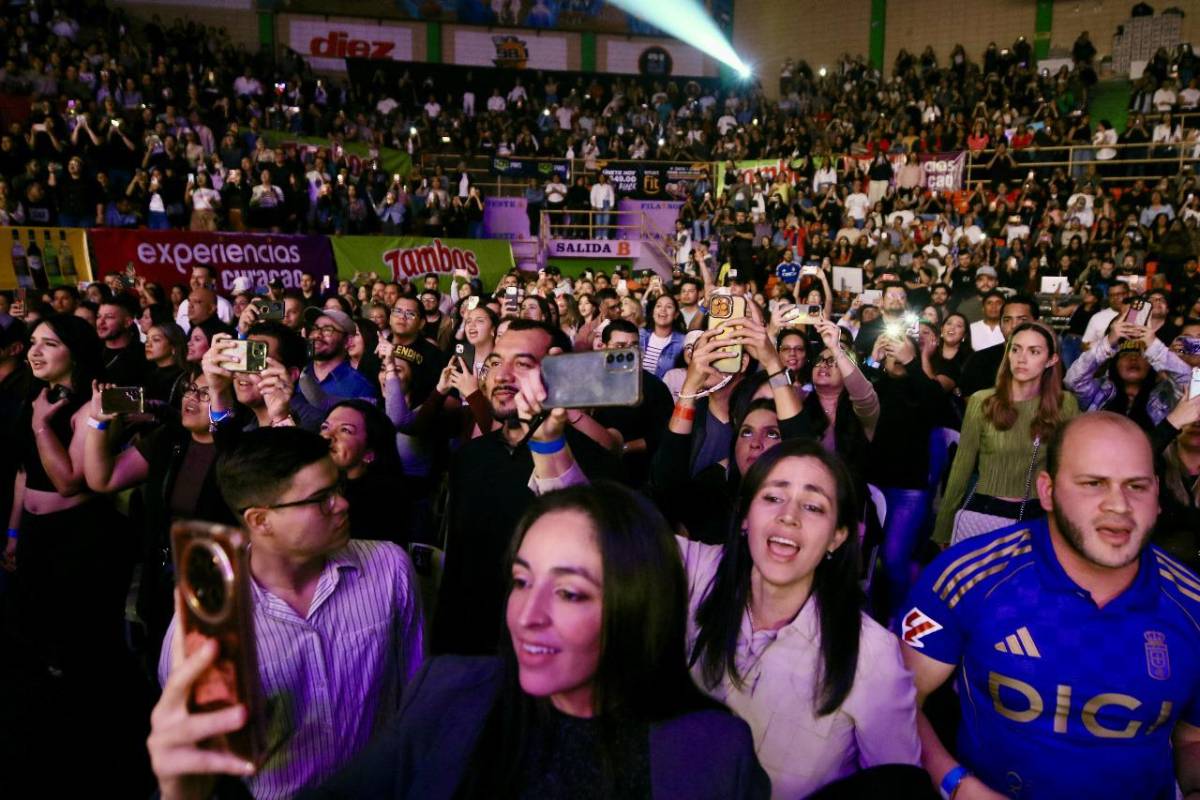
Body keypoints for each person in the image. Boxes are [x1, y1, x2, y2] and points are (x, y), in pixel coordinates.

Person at [303, 482, 771, 799]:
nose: (527, 616)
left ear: (639, 606)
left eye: (568, 593)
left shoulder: (716, 751)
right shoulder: (446, 692)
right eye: (522, 581)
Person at [901, 413, 1200, 800]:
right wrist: (957, 785)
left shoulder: (1191, 605)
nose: (1119, 505)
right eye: (1093, 484)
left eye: (1137, 486)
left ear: (1158, 495)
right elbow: (899, 701)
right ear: (1047, 491)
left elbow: (1192, 738)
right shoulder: (968, 578)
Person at [147, 428, 425, 800]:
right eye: (321, 499)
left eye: (338, 488)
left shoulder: (389, 569)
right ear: (260, 520)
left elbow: (414, 686)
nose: (341, 504)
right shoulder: (208, 627)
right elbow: (206, 762)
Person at [682, 438, 923, 798]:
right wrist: (561, 440)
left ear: (837, 537)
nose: (789, 516)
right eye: (773, 497)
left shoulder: (871, 656)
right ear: (746, 516)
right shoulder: (700, 572)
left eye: (812, 506)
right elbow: (604, 540)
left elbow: (896, 789)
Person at [5, 315, 147, 797]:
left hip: (83, 538)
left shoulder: (101, 397)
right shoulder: (34, 393)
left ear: (76, 351)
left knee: (83, 647)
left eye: (50, 343)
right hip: (37, 534)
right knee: (35, 637)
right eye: (33, 343)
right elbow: (25, 473)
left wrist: (43, 425)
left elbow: (70, 479)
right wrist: (12, 531)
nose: (35, 351)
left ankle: (100, 758)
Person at [433, 319, 621, 655]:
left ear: (556, 371)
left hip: (551, 654)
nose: (501, 376)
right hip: (472, 654)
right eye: (494, 363)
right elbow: (458, 570)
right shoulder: (470, 457)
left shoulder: (588, 462)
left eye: (522, 364)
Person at [933, 322, 1080, 546]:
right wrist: (943, 528)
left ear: (1051, 360)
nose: (1022, 358)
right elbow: (961, 467)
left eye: (1034, 351)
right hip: (984, 510)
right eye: (1016, 349)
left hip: (1036, 514)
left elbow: (1073, 467)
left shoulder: (1064, 404)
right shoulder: (982, 401)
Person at [1065, 319, 1190, 430]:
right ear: (1114, 365)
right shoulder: (1099, 392)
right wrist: (1108, 342)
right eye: (1124, 355)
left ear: (1151, 365)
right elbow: (1073, 380)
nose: (1133, 358)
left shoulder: (1166, 395)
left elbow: (1188, 381)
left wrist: (1154, 347)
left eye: (1141, 355)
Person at [319, 399, 404, 540]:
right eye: (325, 427)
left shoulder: (380, 504)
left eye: (345, 430)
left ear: (369, 454)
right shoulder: (322, 481)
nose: (327, 436)